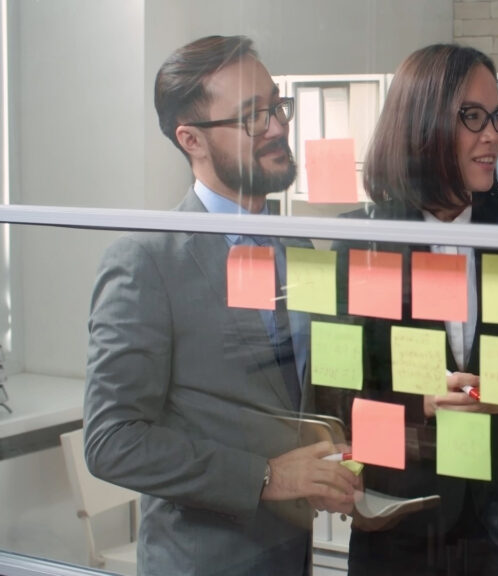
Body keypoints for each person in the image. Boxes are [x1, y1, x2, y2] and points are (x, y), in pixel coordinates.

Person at [84, 35, 360, 576]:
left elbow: (302, 395)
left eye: (277, 106)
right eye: (252, 117)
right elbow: (111, 440)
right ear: (192, 140)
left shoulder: (298, 250)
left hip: (290, 555)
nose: (279, 127)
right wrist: (266, 477)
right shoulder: (145, 262)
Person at [316, 44, 498, 575]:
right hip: (400, 526)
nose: (493, 135)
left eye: (496, 116)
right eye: (472, 117)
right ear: (423, 124)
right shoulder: (363, 241)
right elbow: (332, 402)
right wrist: (421, 407)